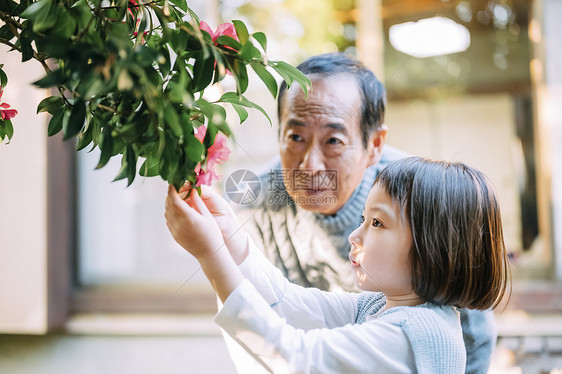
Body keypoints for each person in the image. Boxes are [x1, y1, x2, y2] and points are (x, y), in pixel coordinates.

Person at [233, 52, 497, 373]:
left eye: (333, 140)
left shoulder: (412, 195)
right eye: (296, 137)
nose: (310, 166)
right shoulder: (258, 201)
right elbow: (270, 310)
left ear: (374, 145)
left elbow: (473, 333)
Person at [165, 157, 511, 373]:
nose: (354, 235)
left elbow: (295, 359)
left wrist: (211, 255)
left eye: (377, 223)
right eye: (364, 218)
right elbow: (290, 302)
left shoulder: (411, 335)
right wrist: (229, 236)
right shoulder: (386, 305)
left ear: (433, 248)